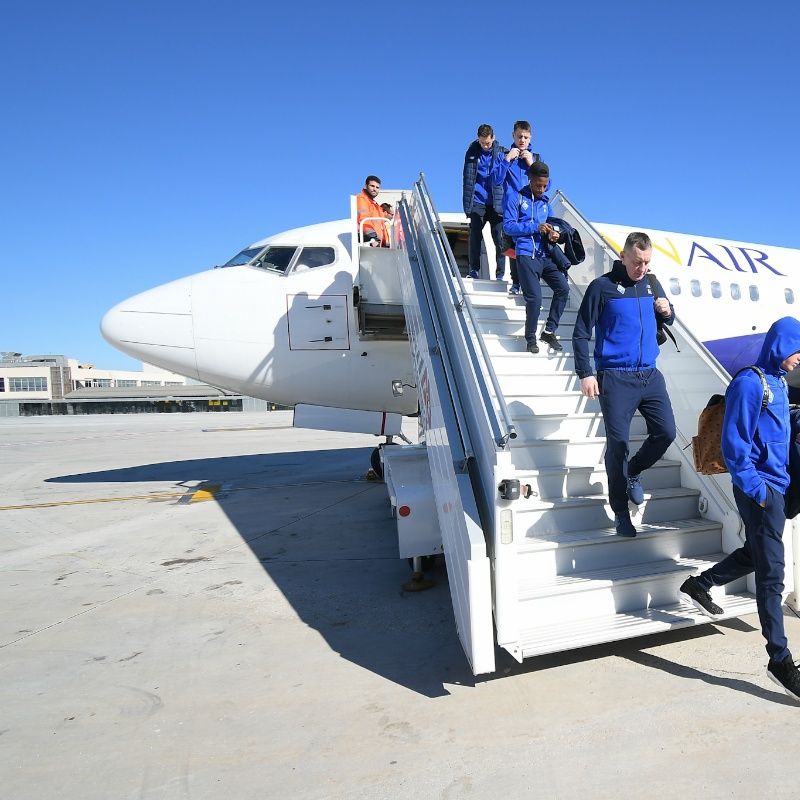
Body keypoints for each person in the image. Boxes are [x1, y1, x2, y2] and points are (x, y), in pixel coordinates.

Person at [678, 317, 800, 701]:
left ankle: (701, 583)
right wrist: (759, 491)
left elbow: (778, 427)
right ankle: (779, 659)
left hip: (778, 487)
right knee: (772, 574)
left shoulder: (777, 380)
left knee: (760, 553)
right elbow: (735, 449)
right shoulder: (750, 383)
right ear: (782, 345)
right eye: (798, 350)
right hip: (760, 490)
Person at [572, 231, 676, 537]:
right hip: (615, 377)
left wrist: (668, 312)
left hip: (649, 374)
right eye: (636, 261)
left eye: (646, 262)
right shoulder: (602, 287)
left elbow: (667, 320)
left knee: (666, 432)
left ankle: (634, 472)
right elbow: (580, 332)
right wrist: (585, 372)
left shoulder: (651, 284)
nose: (641, 268)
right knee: (618, 446)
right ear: (623, 256)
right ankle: (620, 512)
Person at [503, 161, 569, 354]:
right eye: (538, 185)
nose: (541, 189)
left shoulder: (545, 204)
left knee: (563, 289)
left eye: (544, 186)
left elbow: (554, 224)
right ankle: (530, 338)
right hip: (525, 255)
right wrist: (535, 227)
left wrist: (554, 233)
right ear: (530, 179)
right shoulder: (515, 197)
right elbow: (508, 227)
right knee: (535, 300)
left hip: (545, 255)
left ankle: (549, 331)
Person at [494, 120, 540, 294]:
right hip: (512, 210)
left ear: (530, 138)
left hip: (530, 210)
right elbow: (496, 181)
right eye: (519, 136)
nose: (522, 140)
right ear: (513, 135)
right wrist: (507, 159)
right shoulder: (504, 156)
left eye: (525, 137)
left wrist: (532, 164)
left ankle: (530, 284)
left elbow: (547, 184)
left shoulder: (536, 158)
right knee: (513, 248)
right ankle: (515, 283)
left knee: (529, 248)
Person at [462, 124, 506, 280]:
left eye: (487, 142)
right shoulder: (471, 153)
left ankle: (500, 274)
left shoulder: (502, 153)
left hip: (496, 202)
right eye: (482, 143)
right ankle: (473, 270)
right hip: (478, 201)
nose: (485, 146)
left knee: (499, 238)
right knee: (475, 236)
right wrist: (468, 205)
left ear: (493, 138)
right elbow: (467, 180)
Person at [357, 175, 389, 247]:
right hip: (371, 242)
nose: (375, 189)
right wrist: (372, 237)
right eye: (372, 186)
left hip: (379, 244)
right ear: (366, 186)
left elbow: (381, 225)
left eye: (377, 187)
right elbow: (364, 219)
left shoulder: (375, 205)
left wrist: (385, 242)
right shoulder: (362, 199)